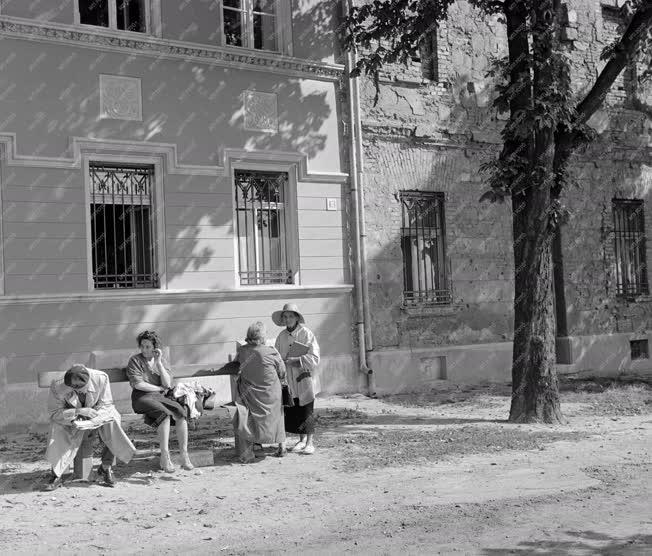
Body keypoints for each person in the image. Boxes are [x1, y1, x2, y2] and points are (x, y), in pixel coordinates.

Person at [44, 364, 136, 491]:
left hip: (96, 414)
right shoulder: (57, 385)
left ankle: (106, 467)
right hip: (71, 417)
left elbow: (106, 404)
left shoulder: (101, 378)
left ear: (88, 382)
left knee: (113, 420)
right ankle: (56, 474)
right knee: (57, 427)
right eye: (73, 387)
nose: (77, 390)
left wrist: (94, 418)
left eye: (80, 387)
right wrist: (78, 412)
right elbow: (54, 413)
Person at [214, 322, 287, 463]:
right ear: (263, 337)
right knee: (279, 413)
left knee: (246, 412)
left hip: (251, 394)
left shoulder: (242, 351)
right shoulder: (271, 351)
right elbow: (282, 372)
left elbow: (237, 365)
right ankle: (281, 445)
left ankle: (252, 447)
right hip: (271, 394)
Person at [126, 330, 193, 473]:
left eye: (148, 347)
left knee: (181, 412)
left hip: (159, 397)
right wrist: (158, 387)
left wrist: (158, 363)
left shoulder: (161, 361)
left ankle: (184, 455)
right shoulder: (135, 360)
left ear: (155, 347)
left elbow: (167, 384)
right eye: (142, 346)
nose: (144, 349)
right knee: (164, 414)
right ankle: (165, 456)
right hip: (141, 397)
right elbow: (138, 384)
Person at [273, 303, 320, 455]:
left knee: (307, 408)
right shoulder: (281, 336)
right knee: (296, 408)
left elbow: (315, 357)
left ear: (297, 317)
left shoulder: (306, 334)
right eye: (285, 316)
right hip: (289, 378)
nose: (288, 319)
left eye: (291, 316)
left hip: (304, 377)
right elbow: (277, 357)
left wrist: (297, 360)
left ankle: (310, 442)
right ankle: (301, 440)